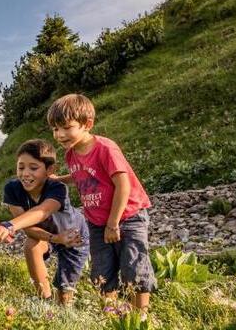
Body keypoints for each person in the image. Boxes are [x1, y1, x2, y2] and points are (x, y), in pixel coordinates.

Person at [47, 93, 156, 312]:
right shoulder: (71, 155)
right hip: (97, 222)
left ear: (87, 124)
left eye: (66, 127)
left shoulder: (105, 148)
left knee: (134, 266)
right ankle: (110, 314)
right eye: (55, 129)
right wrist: (60, 180)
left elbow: (122, 184)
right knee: (102, 270)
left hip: (127, 217)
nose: (59, 134)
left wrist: (113, 223)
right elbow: (83, 174)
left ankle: (140, 317)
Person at [0, 139, 89, 305]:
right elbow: (28, 227)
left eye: (33, 168)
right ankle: (44, 300)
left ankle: (63, 307)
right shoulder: (12, 189)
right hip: (50, 236)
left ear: (50, 170)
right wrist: (54, 238)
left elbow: (42, 211)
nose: (25, 173)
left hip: (73, 238)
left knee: (64, 292)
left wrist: (9, 226)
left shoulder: (57, 188)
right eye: (21, 167)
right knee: (31, 245)